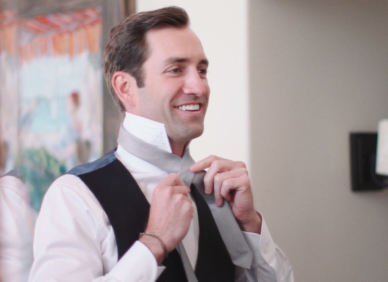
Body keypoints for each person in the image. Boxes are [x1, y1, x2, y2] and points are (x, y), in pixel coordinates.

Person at [30, 6, 294, 282]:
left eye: (202, 70)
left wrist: (250, 224)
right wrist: (153, 244)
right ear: (125, 88)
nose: (199, 87)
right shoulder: (74, 197)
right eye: (176, 69)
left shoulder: (217, 193)